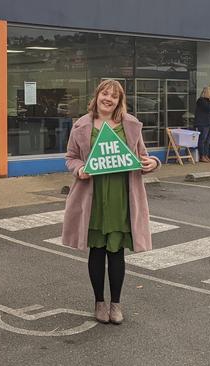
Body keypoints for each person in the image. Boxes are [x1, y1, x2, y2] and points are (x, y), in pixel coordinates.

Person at [61, 79, 160, 325]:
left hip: (120, 197)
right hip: (92, 199)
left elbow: (143, 157)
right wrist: (80, 169)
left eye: (114, 96)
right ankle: (99, 302)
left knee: (116, 252)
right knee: (97, 251)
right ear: (97, 96)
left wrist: (153, 163)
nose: (108, 99)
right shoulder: (81, 126)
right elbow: (71, 157)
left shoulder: (130, 125)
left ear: (119, 101)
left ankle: (115, 304)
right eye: (105, 94)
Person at [194, 86, 210, 163]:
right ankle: (202, 156)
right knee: (202, 139)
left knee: (208, 140)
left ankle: (206, 155)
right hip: (203, 123)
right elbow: (208, 109)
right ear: (207, 93)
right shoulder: (201, 100)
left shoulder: (209, 101)